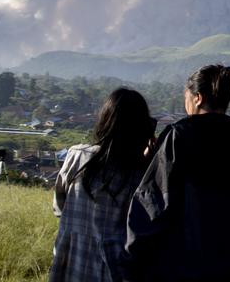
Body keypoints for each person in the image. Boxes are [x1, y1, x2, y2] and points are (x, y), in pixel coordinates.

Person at [124, 65, 230, 282]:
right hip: (224, 264)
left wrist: (132, 261)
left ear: (197, 98)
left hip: (174, 267)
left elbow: (151, 204)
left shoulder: (180, 135)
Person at [51, 88, 156, 282]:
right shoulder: (141, 174)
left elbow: (59, 208)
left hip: (69, 262)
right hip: (113, 268)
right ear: (142, 128)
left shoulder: (78, 155)